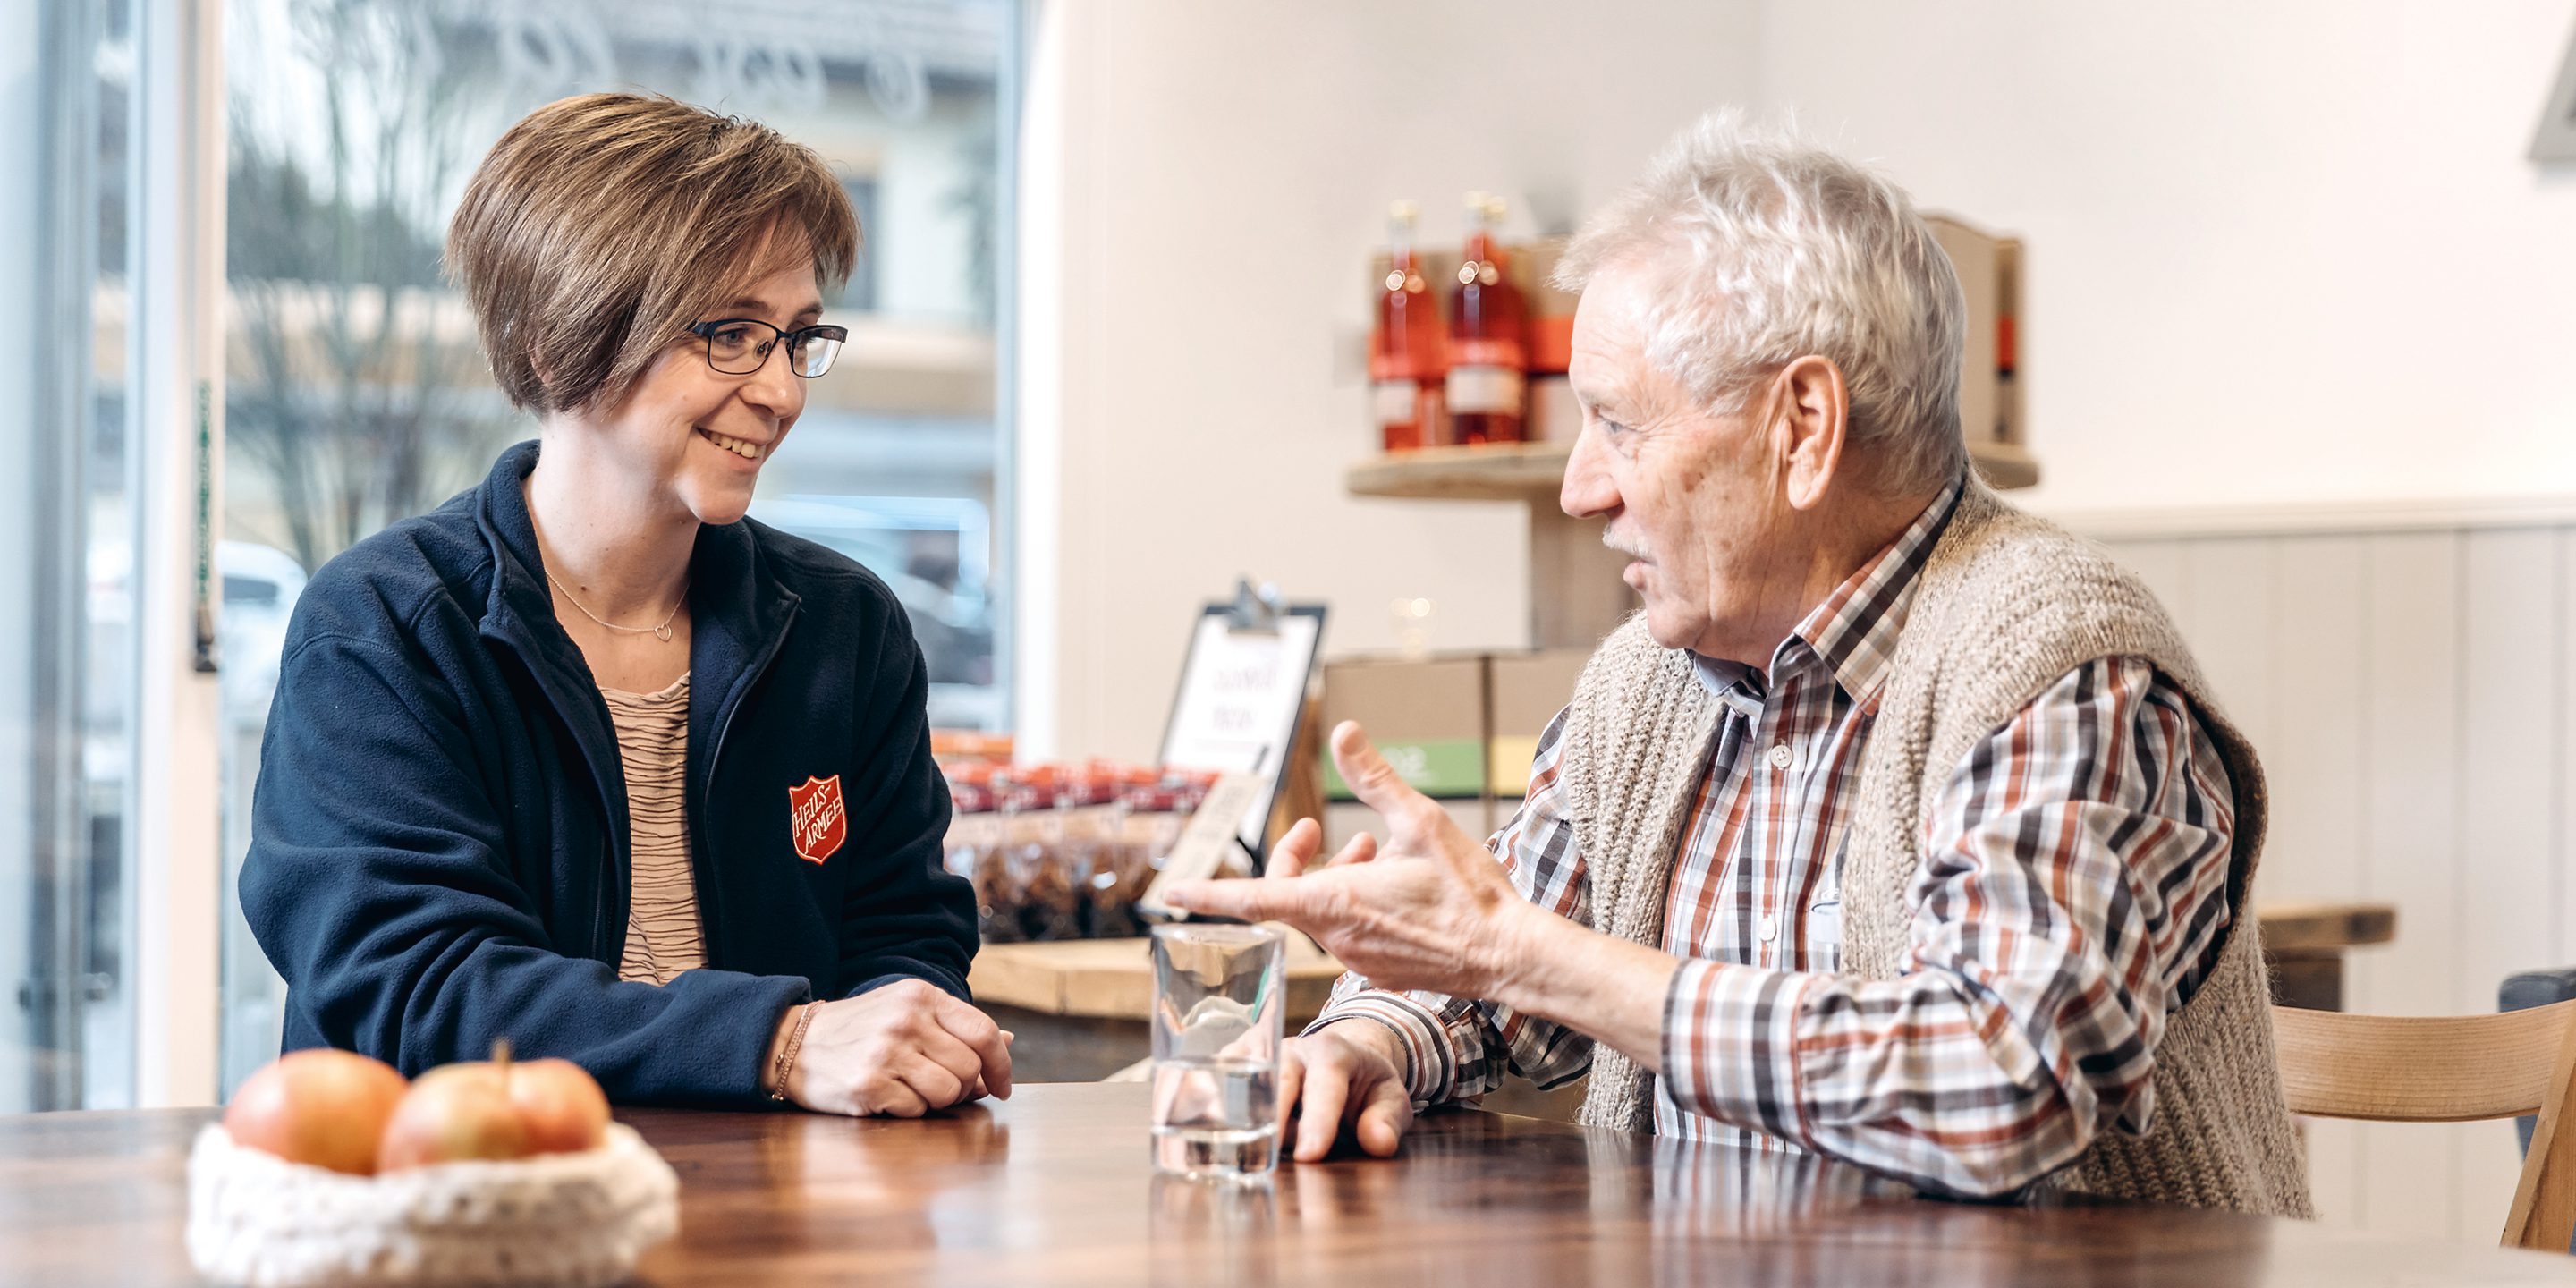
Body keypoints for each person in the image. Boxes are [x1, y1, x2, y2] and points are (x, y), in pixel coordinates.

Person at [1165, 113, 2312, 1214]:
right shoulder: (1650, 677)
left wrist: (1523, 956)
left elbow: (1998, 1084)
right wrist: (1373, 1036)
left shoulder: (2064, 666)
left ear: (1802, 426)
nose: (1580, 488)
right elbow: (1502, 959)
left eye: (1618, 424)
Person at [239, 93, 1010, 1117]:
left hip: (782, 1224)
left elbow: (905, 935)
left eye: (798, 339)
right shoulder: (384, 627)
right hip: (476, 1218)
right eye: (732, 334)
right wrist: (777, 1043)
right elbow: (411, 984)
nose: (782, 390)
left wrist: (905, 1038)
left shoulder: (845, 632)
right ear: (563, 340)